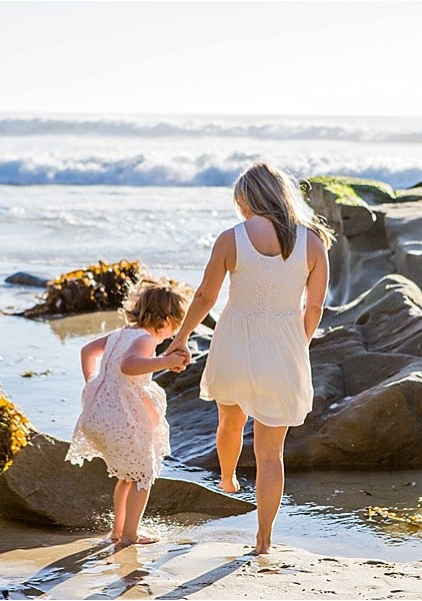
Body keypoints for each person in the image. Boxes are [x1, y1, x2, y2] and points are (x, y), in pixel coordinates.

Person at [166, 162, 334, 554]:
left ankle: (227, 477)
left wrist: (180, 338)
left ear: (247, 198)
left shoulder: (232, 238)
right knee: (270, 455)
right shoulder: (313, 242)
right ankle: (263, 541)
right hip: (283, 345)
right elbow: (314, 308)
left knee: (229, 420)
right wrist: (297, 343)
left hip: (234, 343)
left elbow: (205, 297)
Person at [65, 277, 192, 547]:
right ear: (165, 320)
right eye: (176, 325)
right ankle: (130, 535)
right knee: (143, 475)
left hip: (100, 413)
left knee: (127, 476)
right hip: (121, 418)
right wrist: (165, 361)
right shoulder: (145, 339)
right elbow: (129, 365)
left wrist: (93, 383)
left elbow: (87, 352)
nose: (173, 334)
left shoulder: (120, 334)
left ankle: (118, 530)